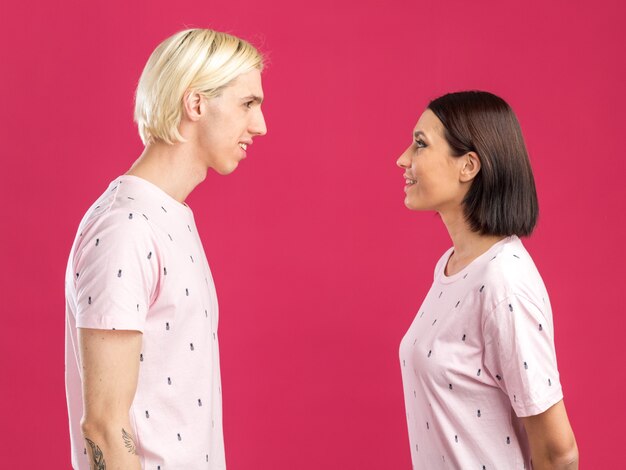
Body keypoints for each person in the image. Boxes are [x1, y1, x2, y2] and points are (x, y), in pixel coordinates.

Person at [64, 28, 267, 469]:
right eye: (248, 104)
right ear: (196, 104)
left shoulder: (168, 217)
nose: (260, 125)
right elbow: (103, 425)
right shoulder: (127, 227)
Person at [396, 91, 578, 469]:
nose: (403, 159)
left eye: (420, 144)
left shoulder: (503, 281)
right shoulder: (454, 266)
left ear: (468, 166)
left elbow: (558, 453)